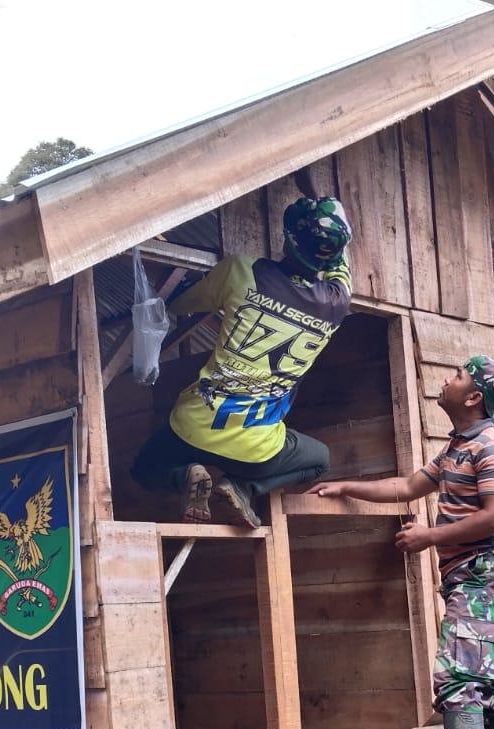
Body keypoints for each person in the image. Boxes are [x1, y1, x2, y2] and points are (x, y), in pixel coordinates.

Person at [309, 356, 494, 729]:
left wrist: (429, 537)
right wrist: (347, 487)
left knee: (460, 675)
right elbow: (406, 486)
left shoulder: (492, 447)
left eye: (458, 375)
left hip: (486, 573)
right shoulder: (455, 449)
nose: (448, 378)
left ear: (473, 397)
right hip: (472, 577)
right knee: (489, 678)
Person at [129, 195, 353, 528]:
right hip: (257, 449)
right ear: (331, 256)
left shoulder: (242, 271)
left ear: (288, 239)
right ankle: (241, 486)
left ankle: (187, 474)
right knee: (320, 459)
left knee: (144, 468)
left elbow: (177, 304)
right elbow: (340, 261)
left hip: (193, 426)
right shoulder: (336, 303)